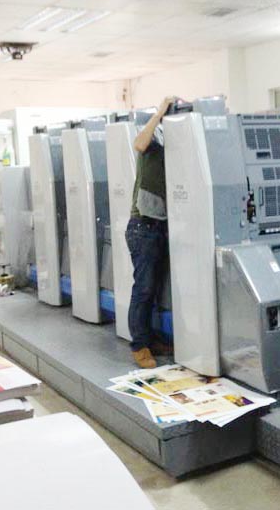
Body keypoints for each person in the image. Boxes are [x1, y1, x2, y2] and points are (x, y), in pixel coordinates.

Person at [126, 96, 175, 369]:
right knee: (144, 289)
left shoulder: (171, 145)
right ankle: (139, 345)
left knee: (156, 290)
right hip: (142, 226)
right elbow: (139, 143)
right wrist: (159, 113)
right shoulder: (151, 139)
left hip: (160, 225)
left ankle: (151, 337)